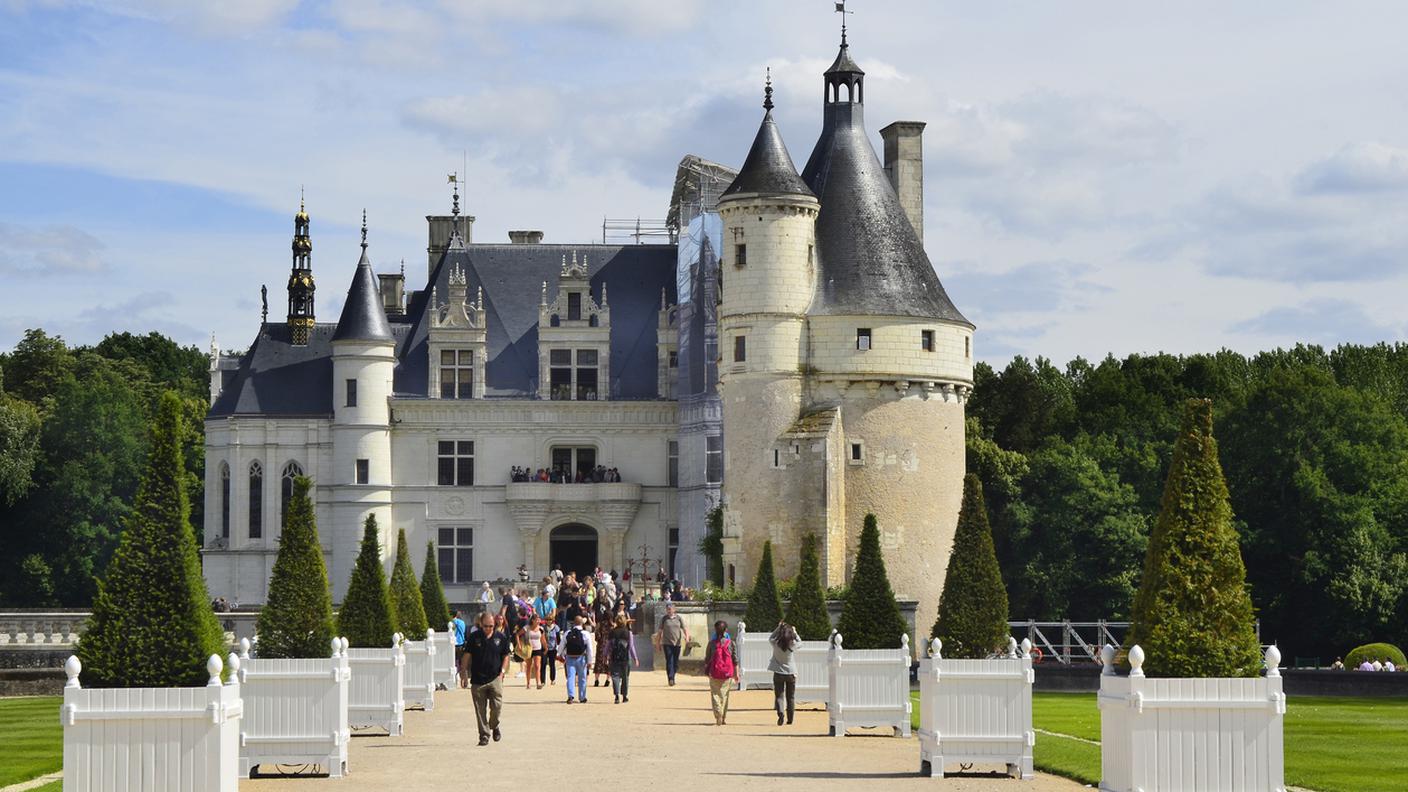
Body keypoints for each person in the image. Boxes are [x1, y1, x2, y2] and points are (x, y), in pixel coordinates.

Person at [464, 611, 512, 746]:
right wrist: (463, 673)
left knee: (497, 707)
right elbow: (467, 655)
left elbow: (506, 656)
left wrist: (502, 672)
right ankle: (484, 735)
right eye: (486, 626)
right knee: (480, 710)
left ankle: (494, 725)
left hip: (495, 677)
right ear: (481, 624)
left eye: (491, 626)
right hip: (478, 679)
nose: (488, 629)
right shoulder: (474, 637)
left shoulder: (500, 638)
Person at [703, 619, 739, 725]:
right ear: (726, 630)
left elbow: (707, 659)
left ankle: (718, 713)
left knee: (715, 694)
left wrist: (706, 670)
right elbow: (735, 660)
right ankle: (723, 716)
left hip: (714, 672)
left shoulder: (712, 644)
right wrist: (736, 674)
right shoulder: (731, 643)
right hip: (727, 673)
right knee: (725, 695)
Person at [768, 621, 799, 725]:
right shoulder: (792, 644)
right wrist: (794, 632)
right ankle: (790, 719)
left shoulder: (776, 643)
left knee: (779, 696)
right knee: (790, 697)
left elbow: (770, 637)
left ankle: (781, 713)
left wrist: (778, 628)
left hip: (778, 672)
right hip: (791, 672)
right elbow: (800, 642)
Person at [560, 615, 595, 704]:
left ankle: (570, 696)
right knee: (582, 678)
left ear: (573, 623)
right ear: (582, 623)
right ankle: (582, 697)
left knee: (570, 677)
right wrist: (590, 661)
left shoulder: (567, 633)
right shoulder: (585, 634)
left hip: (570, 657)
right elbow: (589, 649)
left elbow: (561, 646)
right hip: (581, 658)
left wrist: (560, 655)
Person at [607, 614, 639, 703]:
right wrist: (635, 658)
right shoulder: (628, 633)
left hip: (614, 657)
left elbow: (608, 646)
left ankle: (616, 696)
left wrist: (605, 655)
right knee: (625, 677)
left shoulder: (612, 632)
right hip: (625, 658)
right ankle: (624, 696)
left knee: (615, 676)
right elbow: (631, 647)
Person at [592, 595, 613, 687]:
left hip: (601, 646)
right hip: (610, 647)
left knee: (599, 663)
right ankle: (607, 680)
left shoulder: (599, 625)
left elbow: (596, 637)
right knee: (608, 663)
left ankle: (596, 680)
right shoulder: (613, 626)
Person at [522, 615, 547, 690]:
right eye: (537, 620)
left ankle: (538, 682)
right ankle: (528, 683)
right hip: (529, 649)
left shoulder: (541, 629)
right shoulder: (527, 628)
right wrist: (520, 645)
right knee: (529, 666)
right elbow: (518, 634)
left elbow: (543, 639)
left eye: (539, 620)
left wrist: (546, 647)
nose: (538, 621)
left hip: (538, 648)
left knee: (537, 665)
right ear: (532, 620)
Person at [451, 609, 468, 689]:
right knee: (462, 663)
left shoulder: (451, 622)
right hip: (461, 644)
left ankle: (455, 679)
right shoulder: (462, 622)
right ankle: (464, 680)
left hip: (454, 644)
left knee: (453, 662)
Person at [541, 618, 560, 686]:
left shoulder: (556, 628)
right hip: (544, 648)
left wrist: (558, 648)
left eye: (550, 620)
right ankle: (542, 681)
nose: (548, 621)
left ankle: (552, 679)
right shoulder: (543, 628)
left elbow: (558, 639)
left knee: (552, 664)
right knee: (543, 664)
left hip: (553, 648)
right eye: (547, 620)